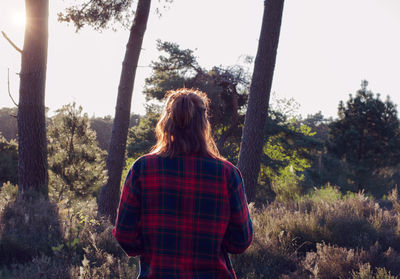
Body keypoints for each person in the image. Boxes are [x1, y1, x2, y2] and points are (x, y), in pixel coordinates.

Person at [113, 88, 253, 278]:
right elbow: (240, 241)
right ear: (204, 125)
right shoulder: (227, 174)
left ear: (166, 123)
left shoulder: (143, 169)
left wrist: (153, 248)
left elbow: (124, 234)